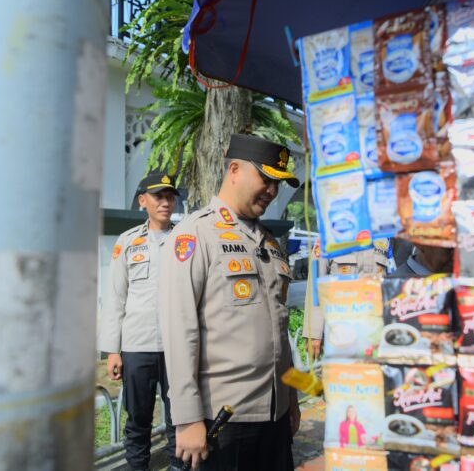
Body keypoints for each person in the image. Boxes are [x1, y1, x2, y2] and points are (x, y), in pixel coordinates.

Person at [159, 134, 302, 471]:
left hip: (276, 416)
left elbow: (280, 333)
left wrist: (292, 399)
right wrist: (187, 419)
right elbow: (179, 332)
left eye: (278, 183)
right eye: (265, 178)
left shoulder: (270, 242)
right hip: (225, 420)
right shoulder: (196, 234)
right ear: (234, 170)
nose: (272, 191)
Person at [98, 172, 183, 471]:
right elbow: (115, 298)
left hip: (178, 346)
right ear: (142, 201)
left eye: (170, 196)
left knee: (180, 418)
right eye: (158, 196)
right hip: (138, 346)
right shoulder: (128, 242)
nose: (165, 202)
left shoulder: (186, 240)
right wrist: (113, 350)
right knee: (138, 420)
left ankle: (179, 467)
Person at [302, 239, 394, 359]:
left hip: (375, 334)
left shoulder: (384, 238)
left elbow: (393, 283)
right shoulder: (329, 235)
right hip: (338, 334)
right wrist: (314, 333)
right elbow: (315, 284)